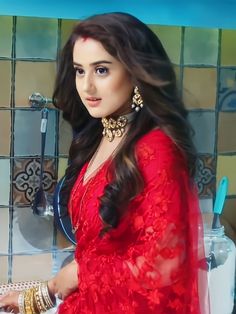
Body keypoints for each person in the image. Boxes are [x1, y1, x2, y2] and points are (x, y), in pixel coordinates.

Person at [0, 12, 209, 314]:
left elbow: (161, 266)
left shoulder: (156, 149)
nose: (86, 87)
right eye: (79, 71)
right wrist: (39, 295)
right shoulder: (100, 136)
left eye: (101, 70)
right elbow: (96, 252)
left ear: (135, 72)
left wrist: (74, 276)